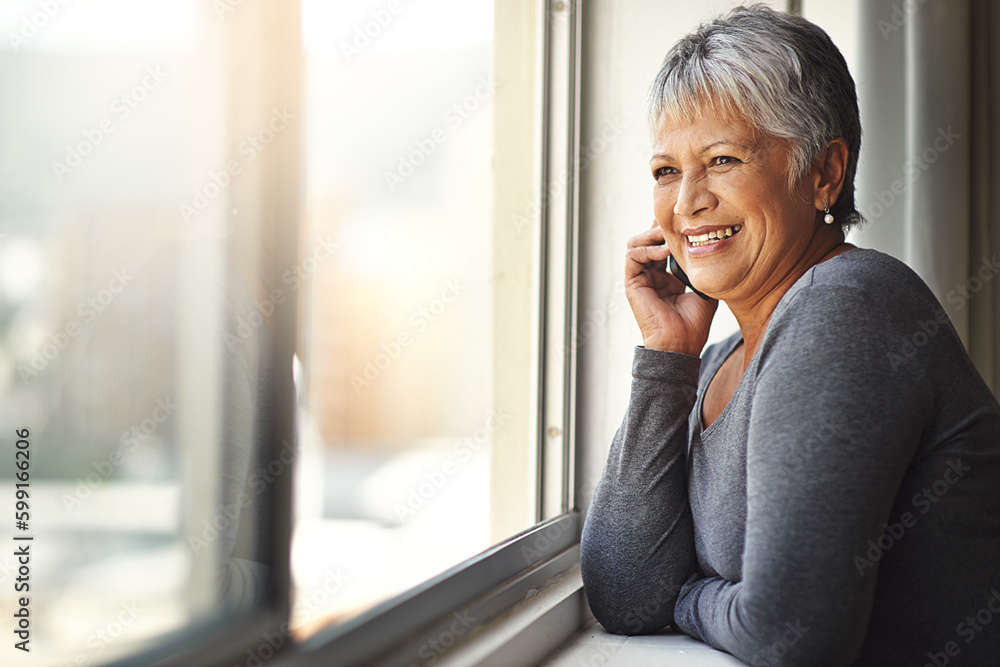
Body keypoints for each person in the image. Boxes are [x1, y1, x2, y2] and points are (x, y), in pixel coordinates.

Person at [579, 5, 1000, 666]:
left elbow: (789, 637)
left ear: (824, 173)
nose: (687, 200)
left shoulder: (846, 308)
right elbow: (626, 591)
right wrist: (667, 358)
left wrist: (686, 594)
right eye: (665, 170)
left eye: (721, 159)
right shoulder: (720, 357)